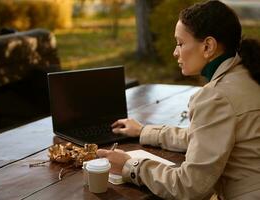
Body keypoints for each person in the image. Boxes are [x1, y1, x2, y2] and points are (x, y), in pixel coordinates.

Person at [97, 0, 260, 199]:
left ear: (208, 46)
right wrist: (143, 131)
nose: (175, 52)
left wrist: (130, 165)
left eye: (180, 43)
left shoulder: (216, 96)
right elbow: (202, 136)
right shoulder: (247, 74)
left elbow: (189, 186)